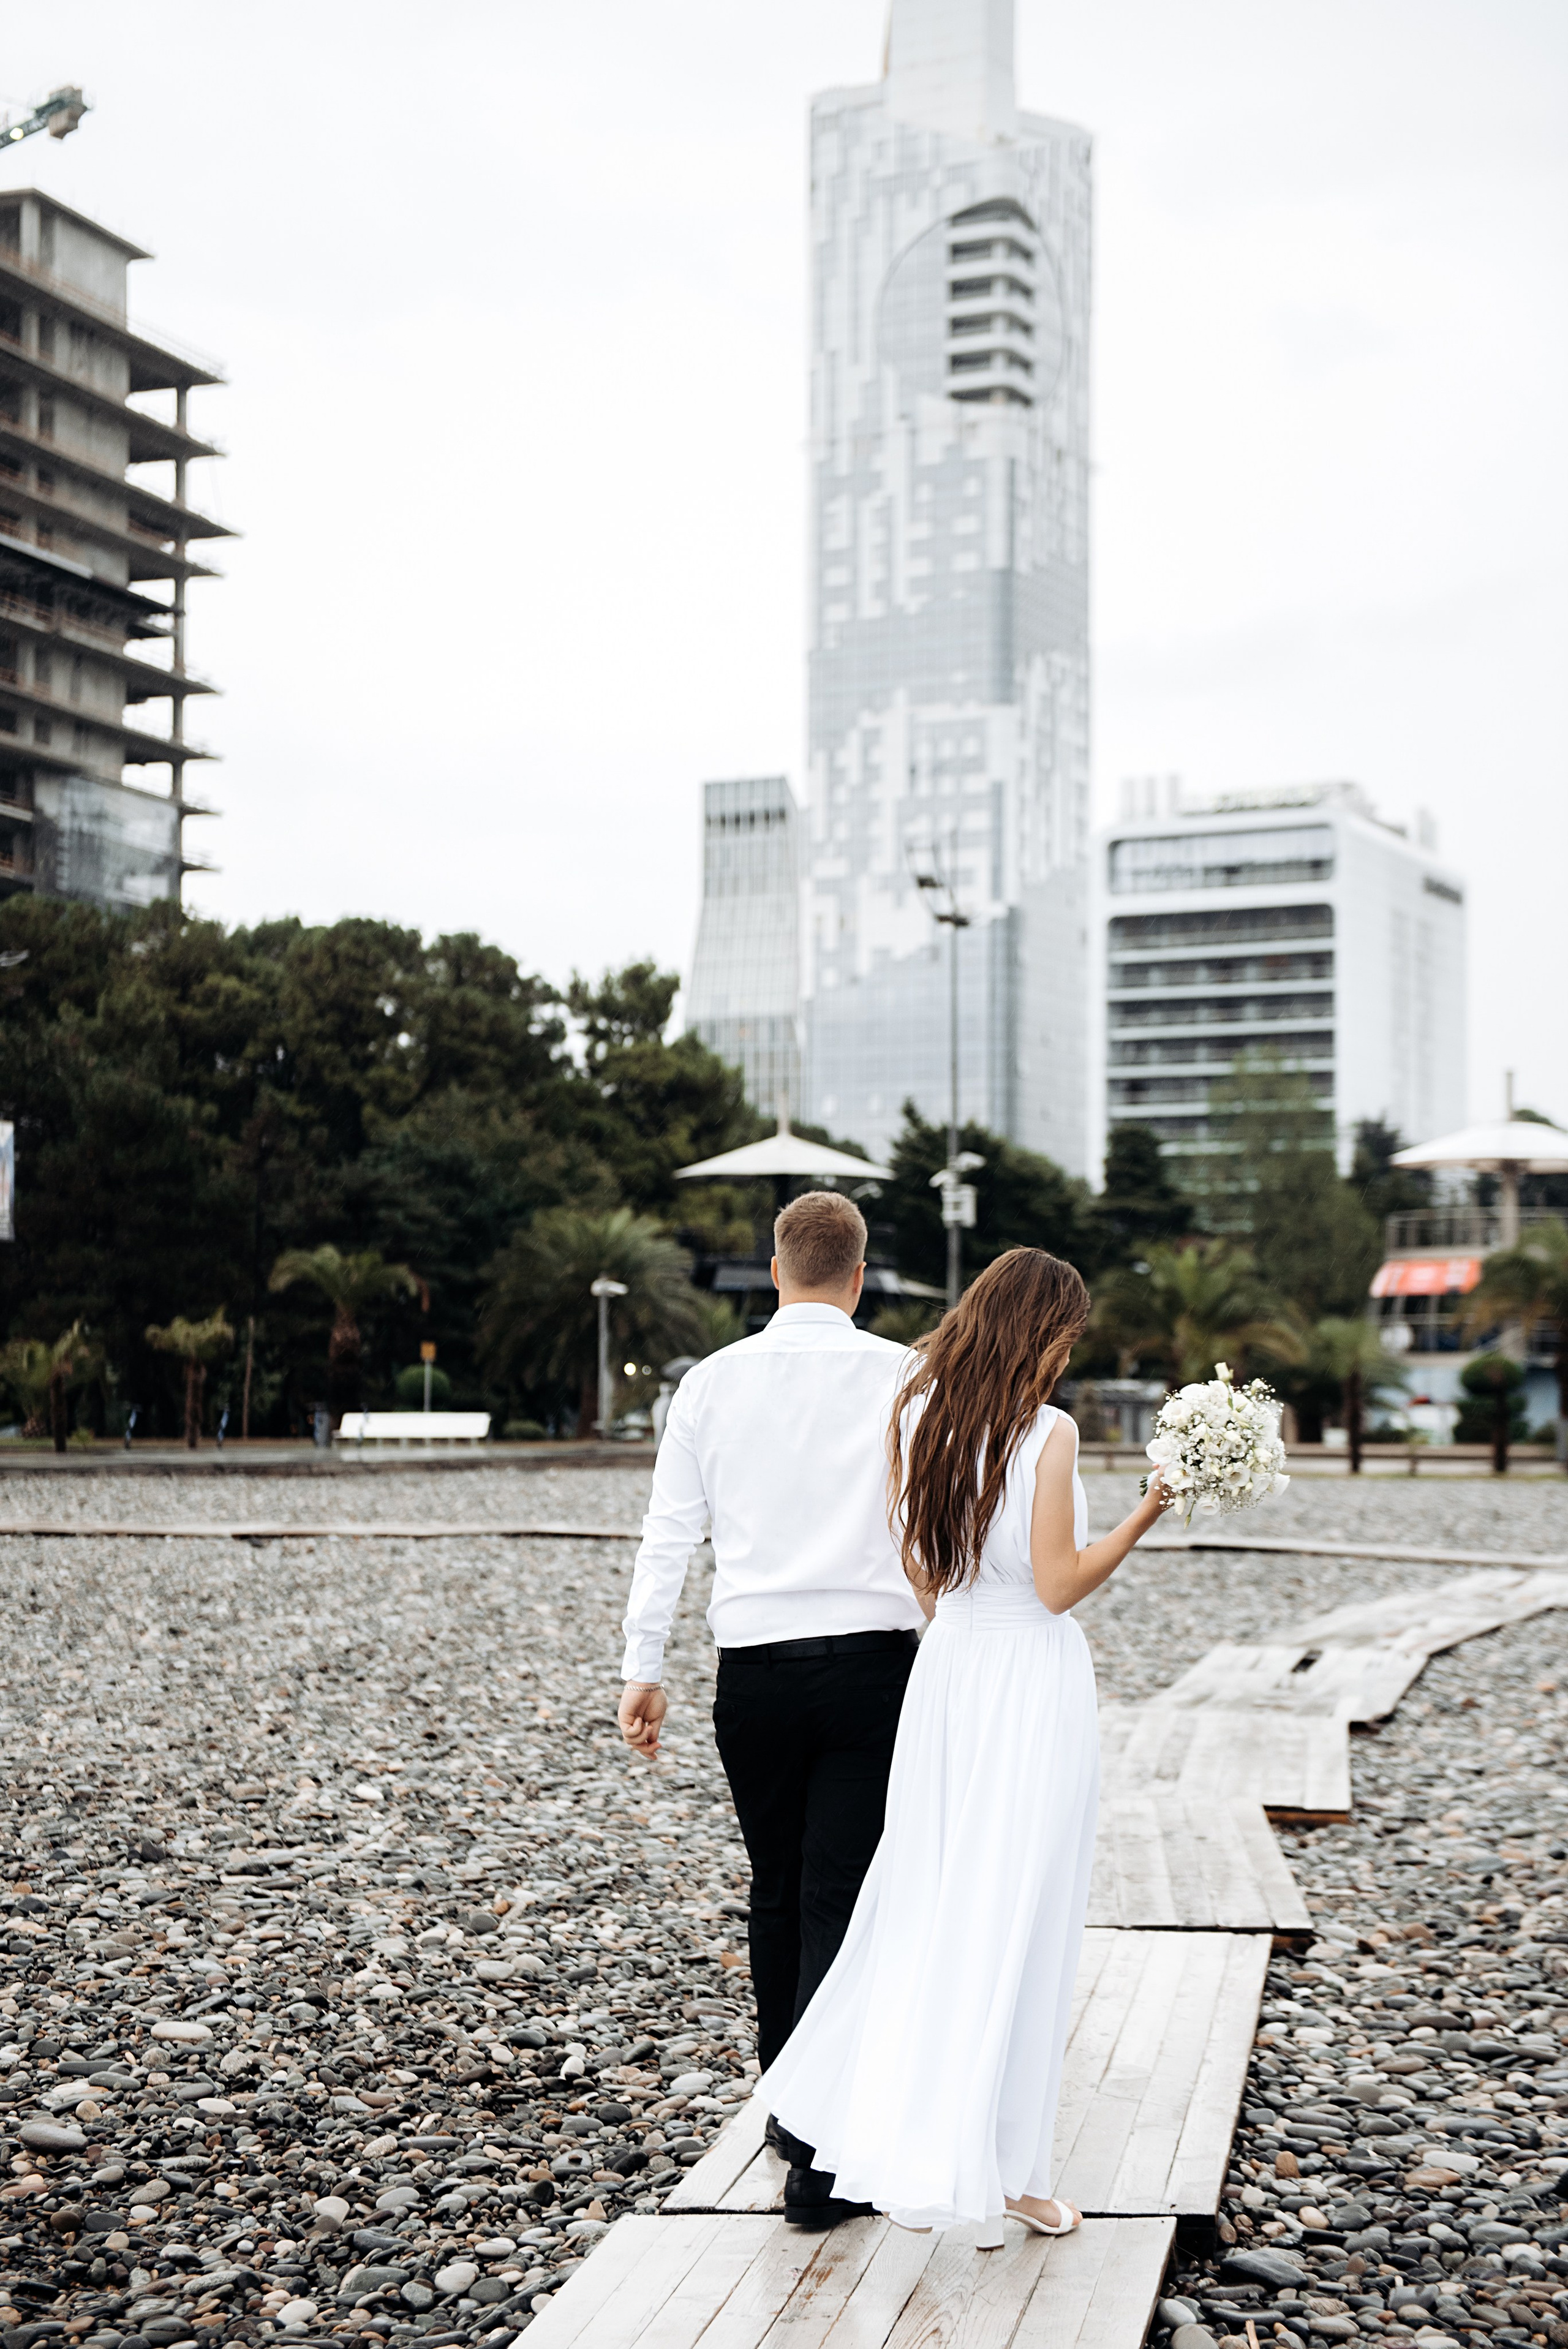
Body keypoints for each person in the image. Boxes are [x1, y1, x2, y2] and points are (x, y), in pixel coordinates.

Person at [757, 1246, 1170, 2242]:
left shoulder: (914, 1412)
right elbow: (1060, 1582)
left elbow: (921, 1569)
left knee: (931, 1901)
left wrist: (965, 1627)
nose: (1069, 1355)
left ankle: (898, 2135)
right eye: (1067, 1336)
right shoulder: (1049, 1432)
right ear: (1046, 1331)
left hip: (949, 1672)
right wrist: (1152, 1509)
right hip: (1030, 1680)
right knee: (1021, 1919)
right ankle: (1008, 2172)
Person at [617, 1188, 925, 2228]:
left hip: (751, 1671)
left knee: (777, 1889)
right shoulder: (905, 1377)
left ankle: (792, 2112)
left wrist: (642, 1666)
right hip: (874, 1670)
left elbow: (670, 1535)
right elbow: (944, 1525)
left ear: (779, 1265)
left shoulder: (707, 1384)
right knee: (841, 1891)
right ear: (859, 1270)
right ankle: (824, 2159)